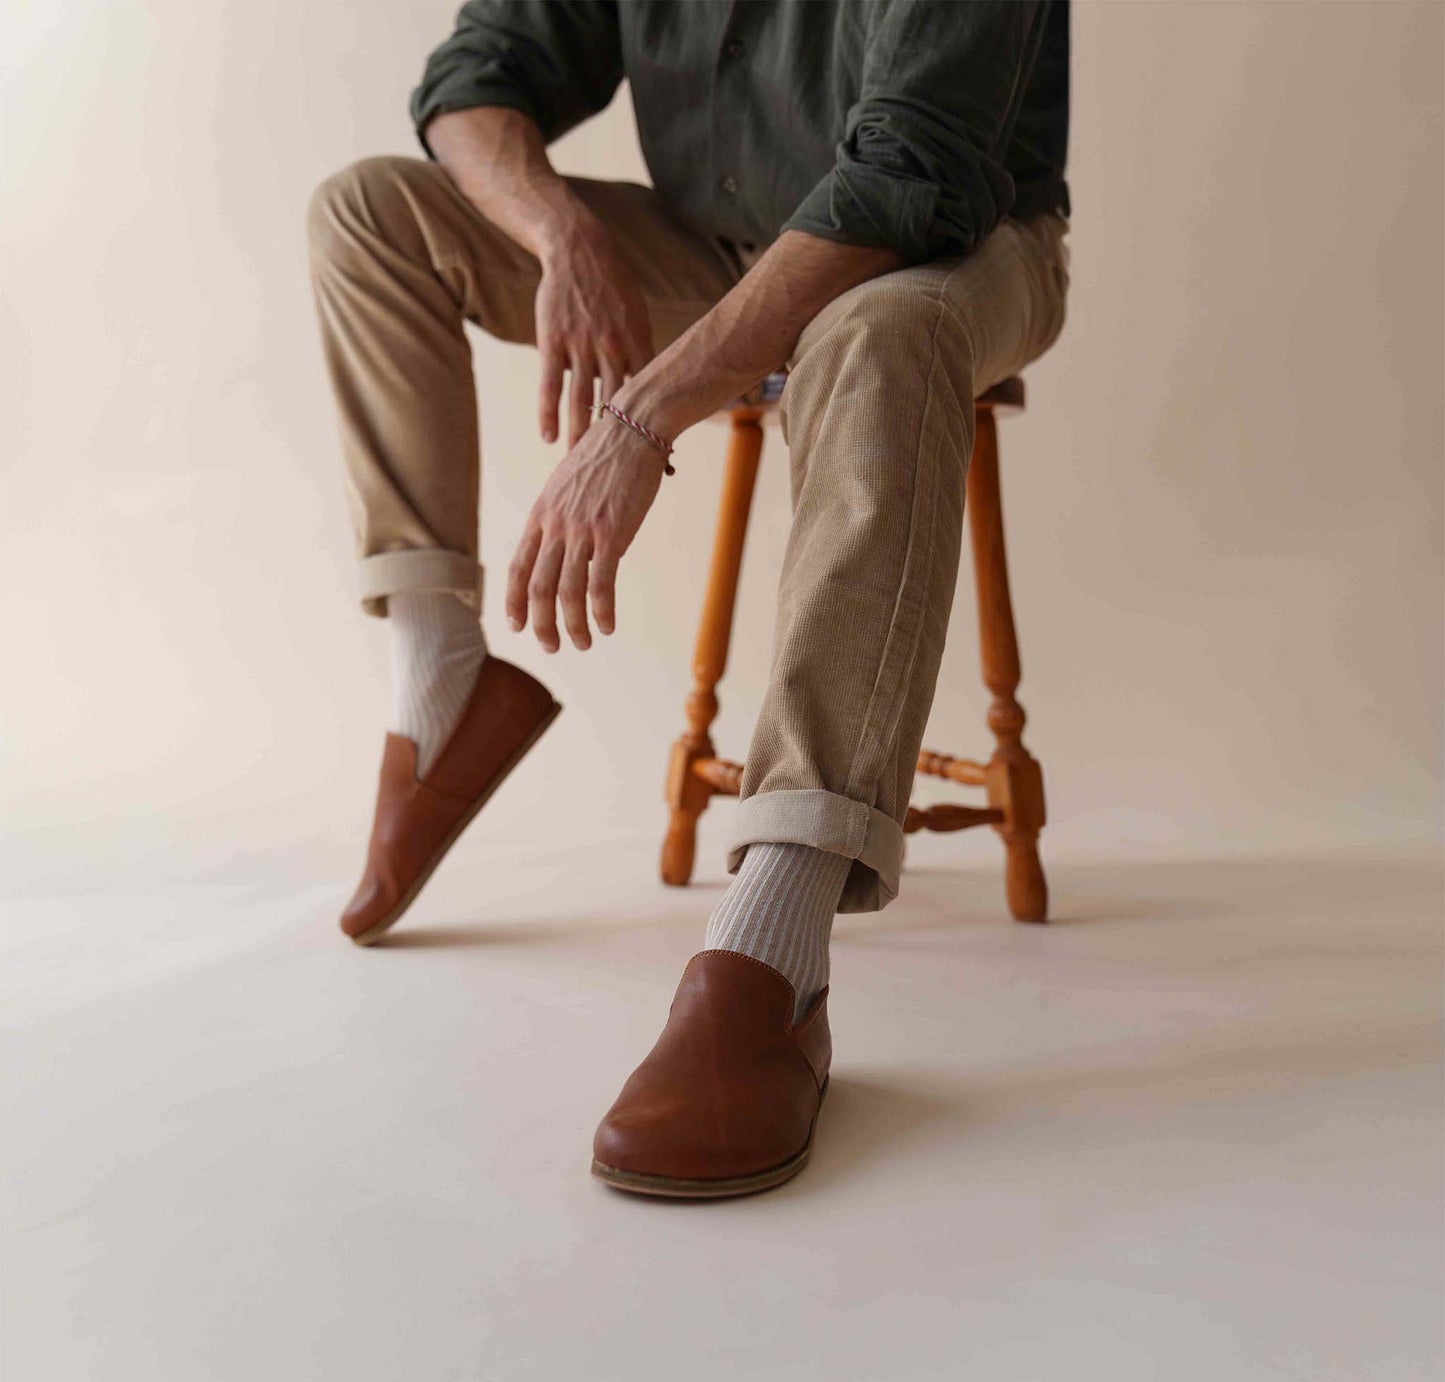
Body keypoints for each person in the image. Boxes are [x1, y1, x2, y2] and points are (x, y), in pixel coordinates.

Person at [306, 0, 1072, 1199]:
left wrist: (642, 409)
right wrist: (560, 234)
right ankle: (439, 682)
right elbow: (474, 75)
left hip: (948, 242)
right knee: (368, 211)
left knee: (878, 334)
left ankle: (775, 944)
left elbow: (910, 169)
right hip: (718, 242)